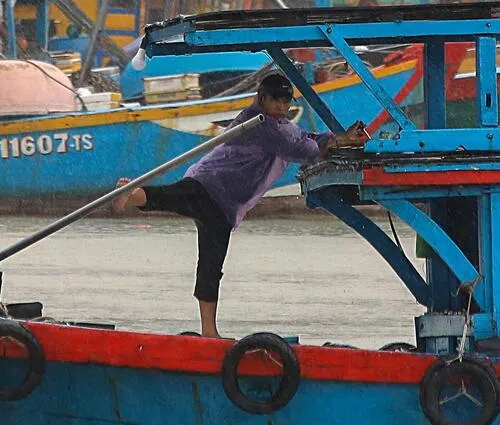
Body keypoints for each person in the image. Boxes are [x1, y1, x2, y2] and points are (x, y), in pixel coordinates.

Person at [113, 71, 366, 338]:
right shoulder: (263, 124)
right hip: (214, 189)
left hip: (218, 197)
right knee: (186, 221)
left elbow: (304, 138)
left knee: (201, 249)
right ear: (262, 98)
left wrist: (335, 139)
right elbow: (302, 150)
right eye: (276, 100)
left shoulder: (275, 123)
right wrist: (338, 141)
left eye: (286, 101)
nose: (282, 106)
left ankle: (133, 195)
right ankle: (209, 331)